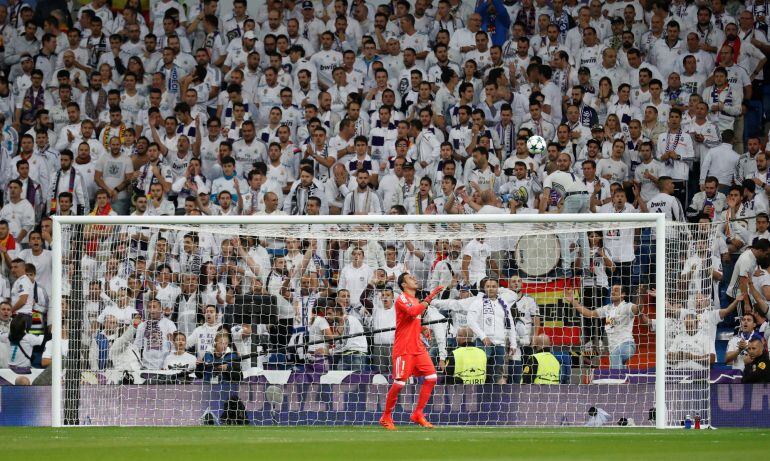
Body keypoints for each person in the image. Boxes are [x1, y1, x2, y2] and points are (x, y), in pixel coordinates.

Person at [379, 273, 444, 430]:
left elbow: (410, 319)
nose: (415, 279)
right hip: (404, 349)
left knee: (432, 377)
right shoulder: (401, 298)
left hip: (418, 347)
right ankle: (386, 416)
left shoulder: (415, 300)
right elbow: (413, 312)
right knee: (400, 383)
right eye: (410, 278)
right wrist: (430, 298)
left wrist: (422, 329)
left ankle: (418, 413)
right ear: (403, 284)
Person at [568, 285, 647, 369]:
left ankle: (617, 379)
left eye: (616, 290)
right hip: (613, 348)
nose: (612, 292)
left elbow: (639, 309)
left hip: (627, 345)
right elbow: (589, 313)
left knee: (616, 355)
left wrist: (640, 296)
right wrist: (573, 301)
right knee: (620, 365)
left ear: (623, 294)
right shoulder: (607, 309)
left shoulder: (627, 306)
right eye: (612, 290)